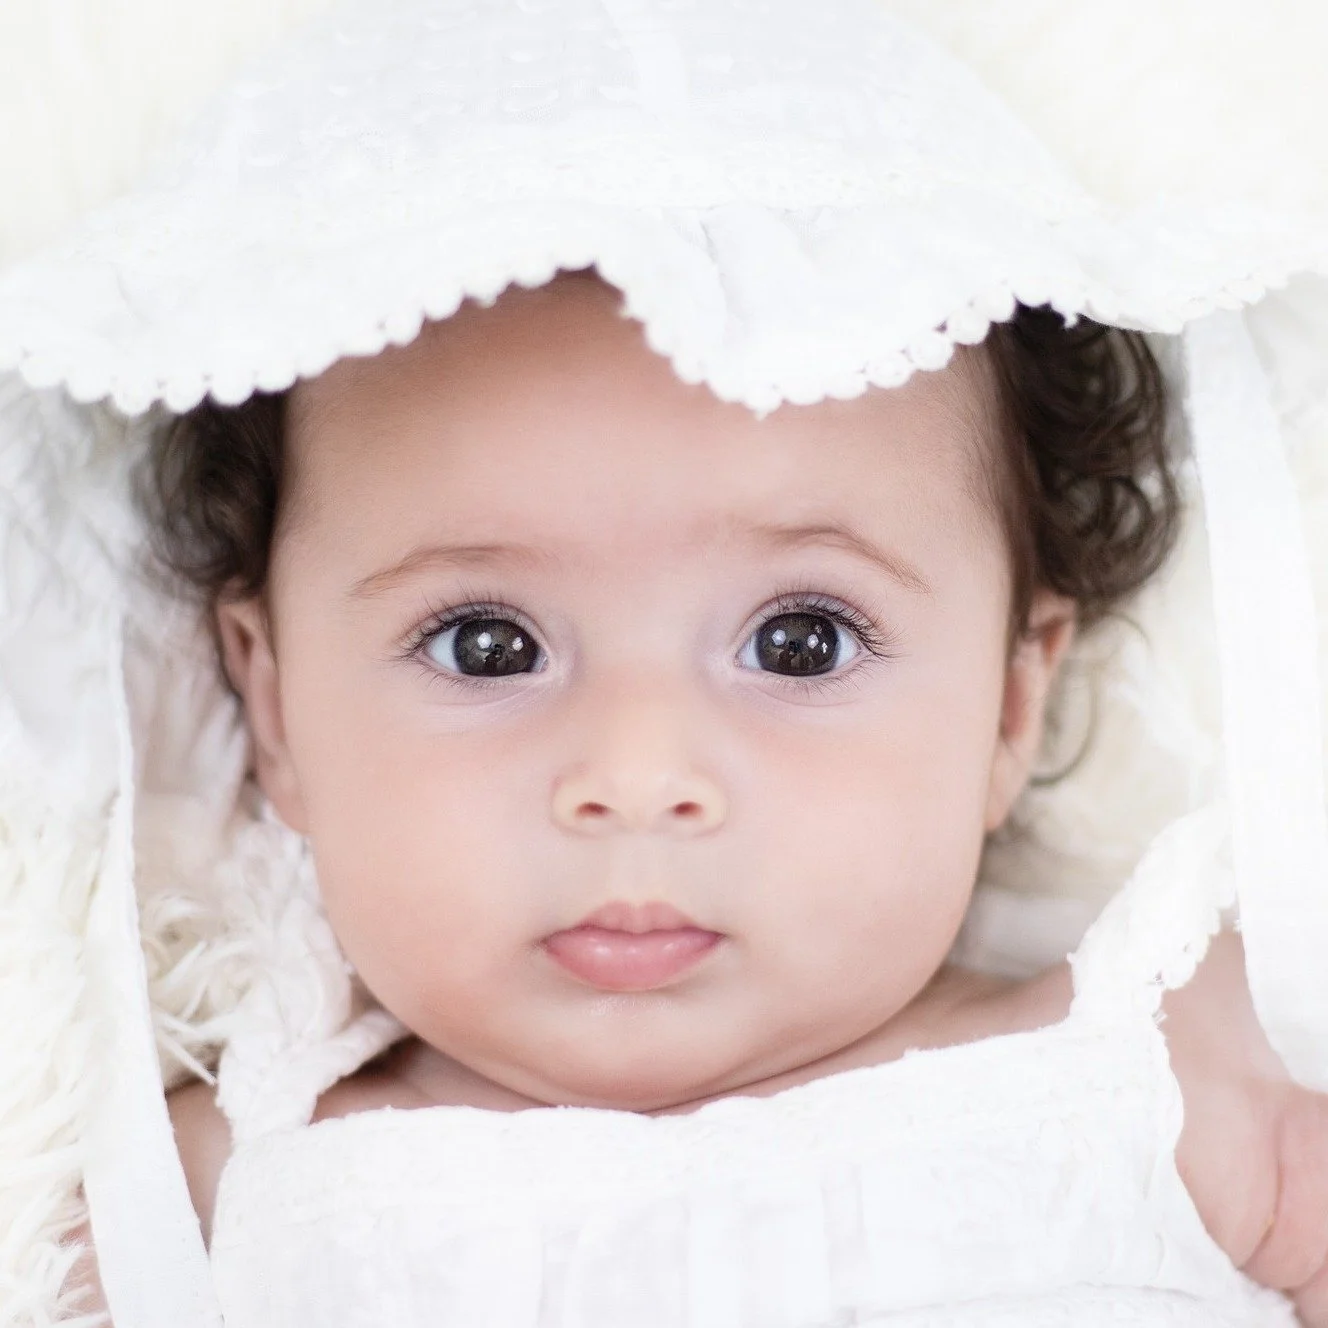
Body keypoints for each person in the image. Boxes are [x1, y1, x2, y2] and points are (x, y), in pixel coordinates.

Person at [6, 0, 1325, 1324]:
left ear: (1011, 701)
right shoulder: (197, 1198)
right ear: (277, 705)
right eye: (488, 644)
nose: (636, 778)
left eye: (799, 641)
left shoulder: (1169, 1071)